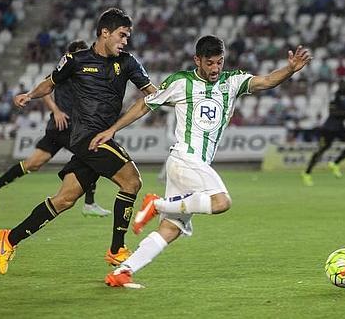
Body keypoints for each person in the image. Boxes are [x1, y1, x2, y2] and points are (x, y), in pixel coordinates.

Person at [93, 35, 312, 287]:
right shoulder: (181, 82)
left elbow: (266, 81)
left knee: (170, 230)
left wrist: (290, 69)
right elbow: (145, 104)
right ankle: (157, 204)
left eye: (220, 62)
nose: (216, 68)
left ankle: (123, 271)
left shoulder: (232, 81)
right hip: (185, 158)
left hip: (191, 166)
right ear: (197, 60)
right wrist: (113, 130)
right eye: (210, 63)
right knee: (222, 202)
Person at [0, 8, 157, 275]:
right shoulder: (75, 60)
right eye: (122, 35)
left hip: (101, 138)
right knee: (132, 181)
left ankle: (9, 238)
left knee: (65, 199)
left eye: (127, 36)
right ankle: (117, 250)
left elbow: (152, 94)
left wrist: (182, 97)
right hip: (85, 137)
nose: (126, 41)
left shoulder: (128, 63)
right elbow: (50, 83)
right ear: (105, 32)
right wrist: (29, 95)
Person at [0, 40, 111, 218]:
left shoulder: (84, 74)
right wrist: (56, 111)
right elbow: (45, 88)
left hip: (69, 127)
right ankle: (89, 203)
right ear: (70, 54)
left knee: (32, 164)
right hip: (62, 126)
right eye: (80, 53)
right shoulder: (66, 69)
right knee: (91, 154)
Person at [302, 80, 345, 186]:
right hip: (329, 128)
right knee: (321, 150)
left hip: (341, 128)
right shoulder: (334, 96)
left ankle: (335, 163)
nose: (344, 86)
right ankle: (306, 173)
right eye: (342, 84)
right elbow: (332, 112)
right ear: (339, 86)